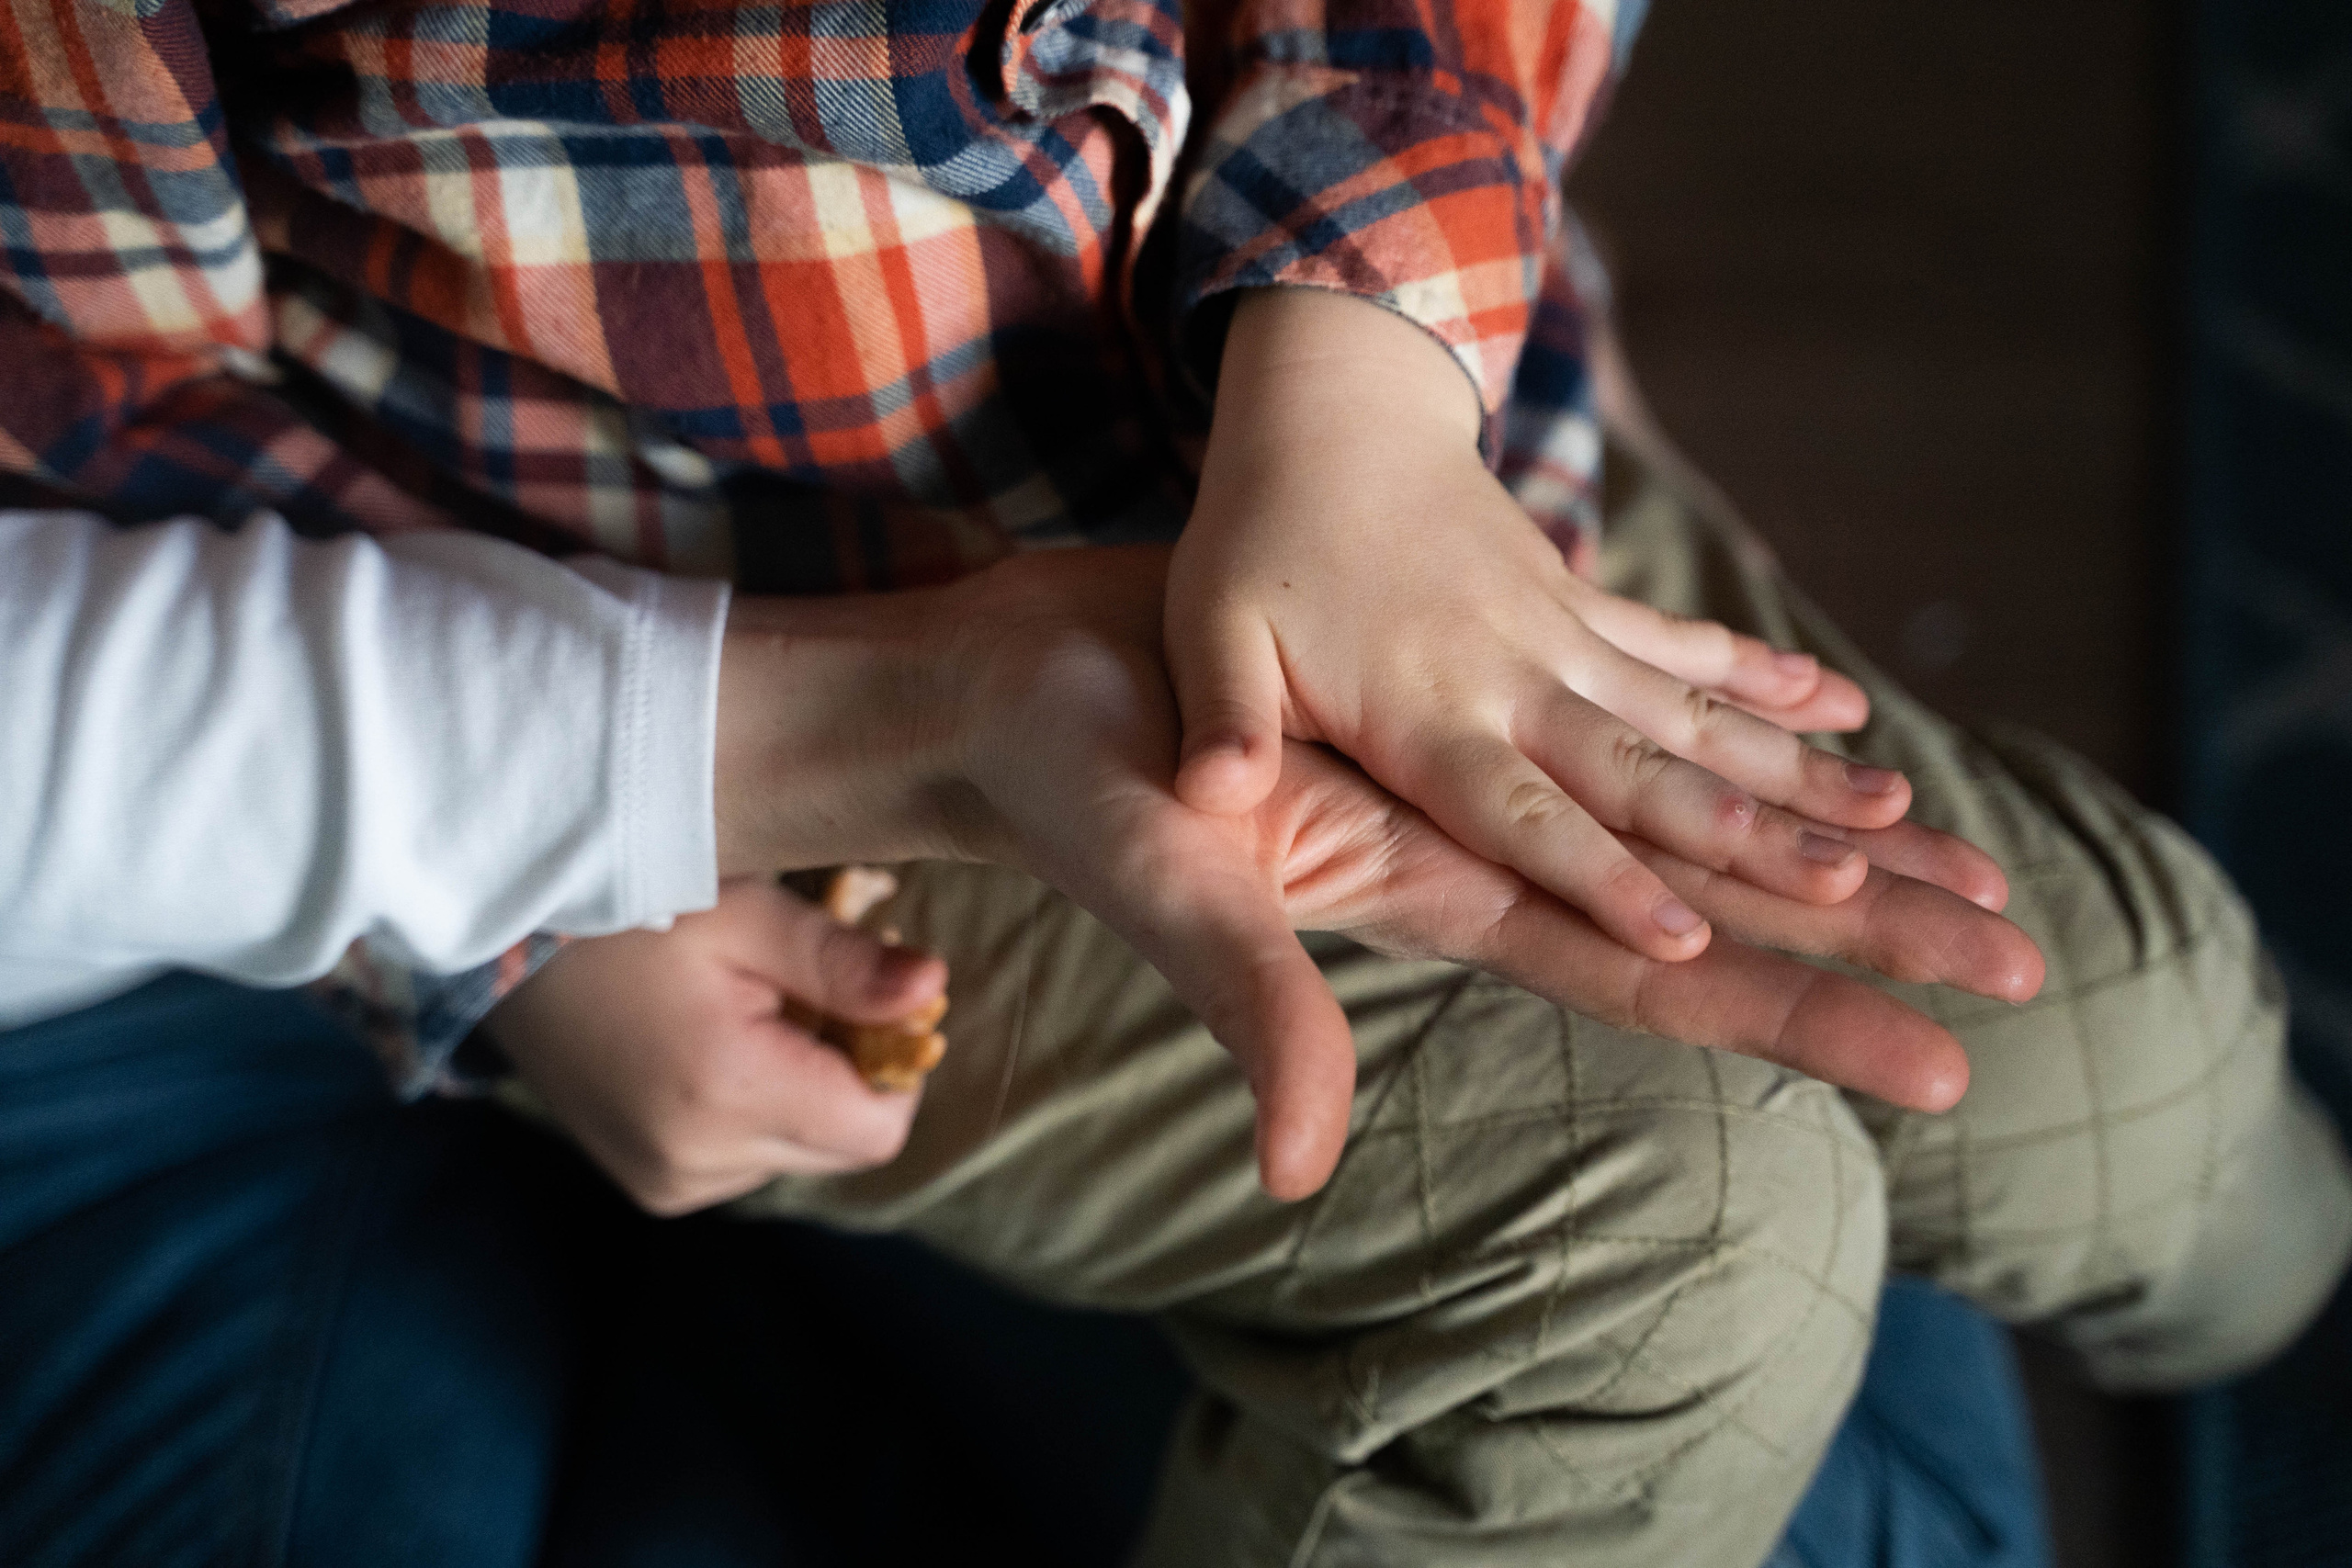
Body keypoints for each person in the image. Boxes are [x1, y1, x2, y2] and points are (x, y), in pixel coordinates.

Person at [1, 0, 2346, 1562]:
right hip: (762, 705)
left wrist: (1359, 363)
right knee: (1663, 1260)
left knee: (2147, 1033)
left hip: (1420, 477)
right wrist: (515, 908)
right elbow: (108, 415)